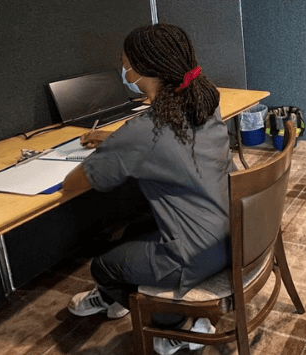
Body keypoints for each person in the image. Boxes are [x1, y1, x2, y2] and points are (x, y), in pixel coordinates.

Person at [62, 23, 235, 354]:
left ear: (143, 70)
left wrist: (115, 145)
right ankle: (140, 303)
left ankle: (175, 324)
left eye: (125, 63)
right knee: (133, 231)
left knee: (103, 266)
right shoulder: (204, 100)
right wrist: (118, 140)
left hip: (195, 255)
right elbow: (161, 143)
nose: (124, 70)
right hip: (232, 233)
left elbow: (76, 183)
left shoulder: (144, 130)